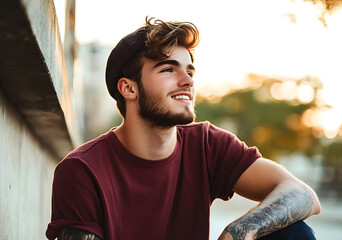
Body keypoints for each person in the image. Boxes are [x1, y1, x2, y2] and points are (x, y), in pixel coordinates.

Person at [46, 17, 321, 240]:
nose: (187, 81)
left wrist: (240, 231)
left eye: (190, 71)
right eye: (168, 69)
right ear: (128, 88)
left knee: (291, 231)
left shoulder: (207, 144)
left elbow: (302, 195)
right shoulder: (82, 171)